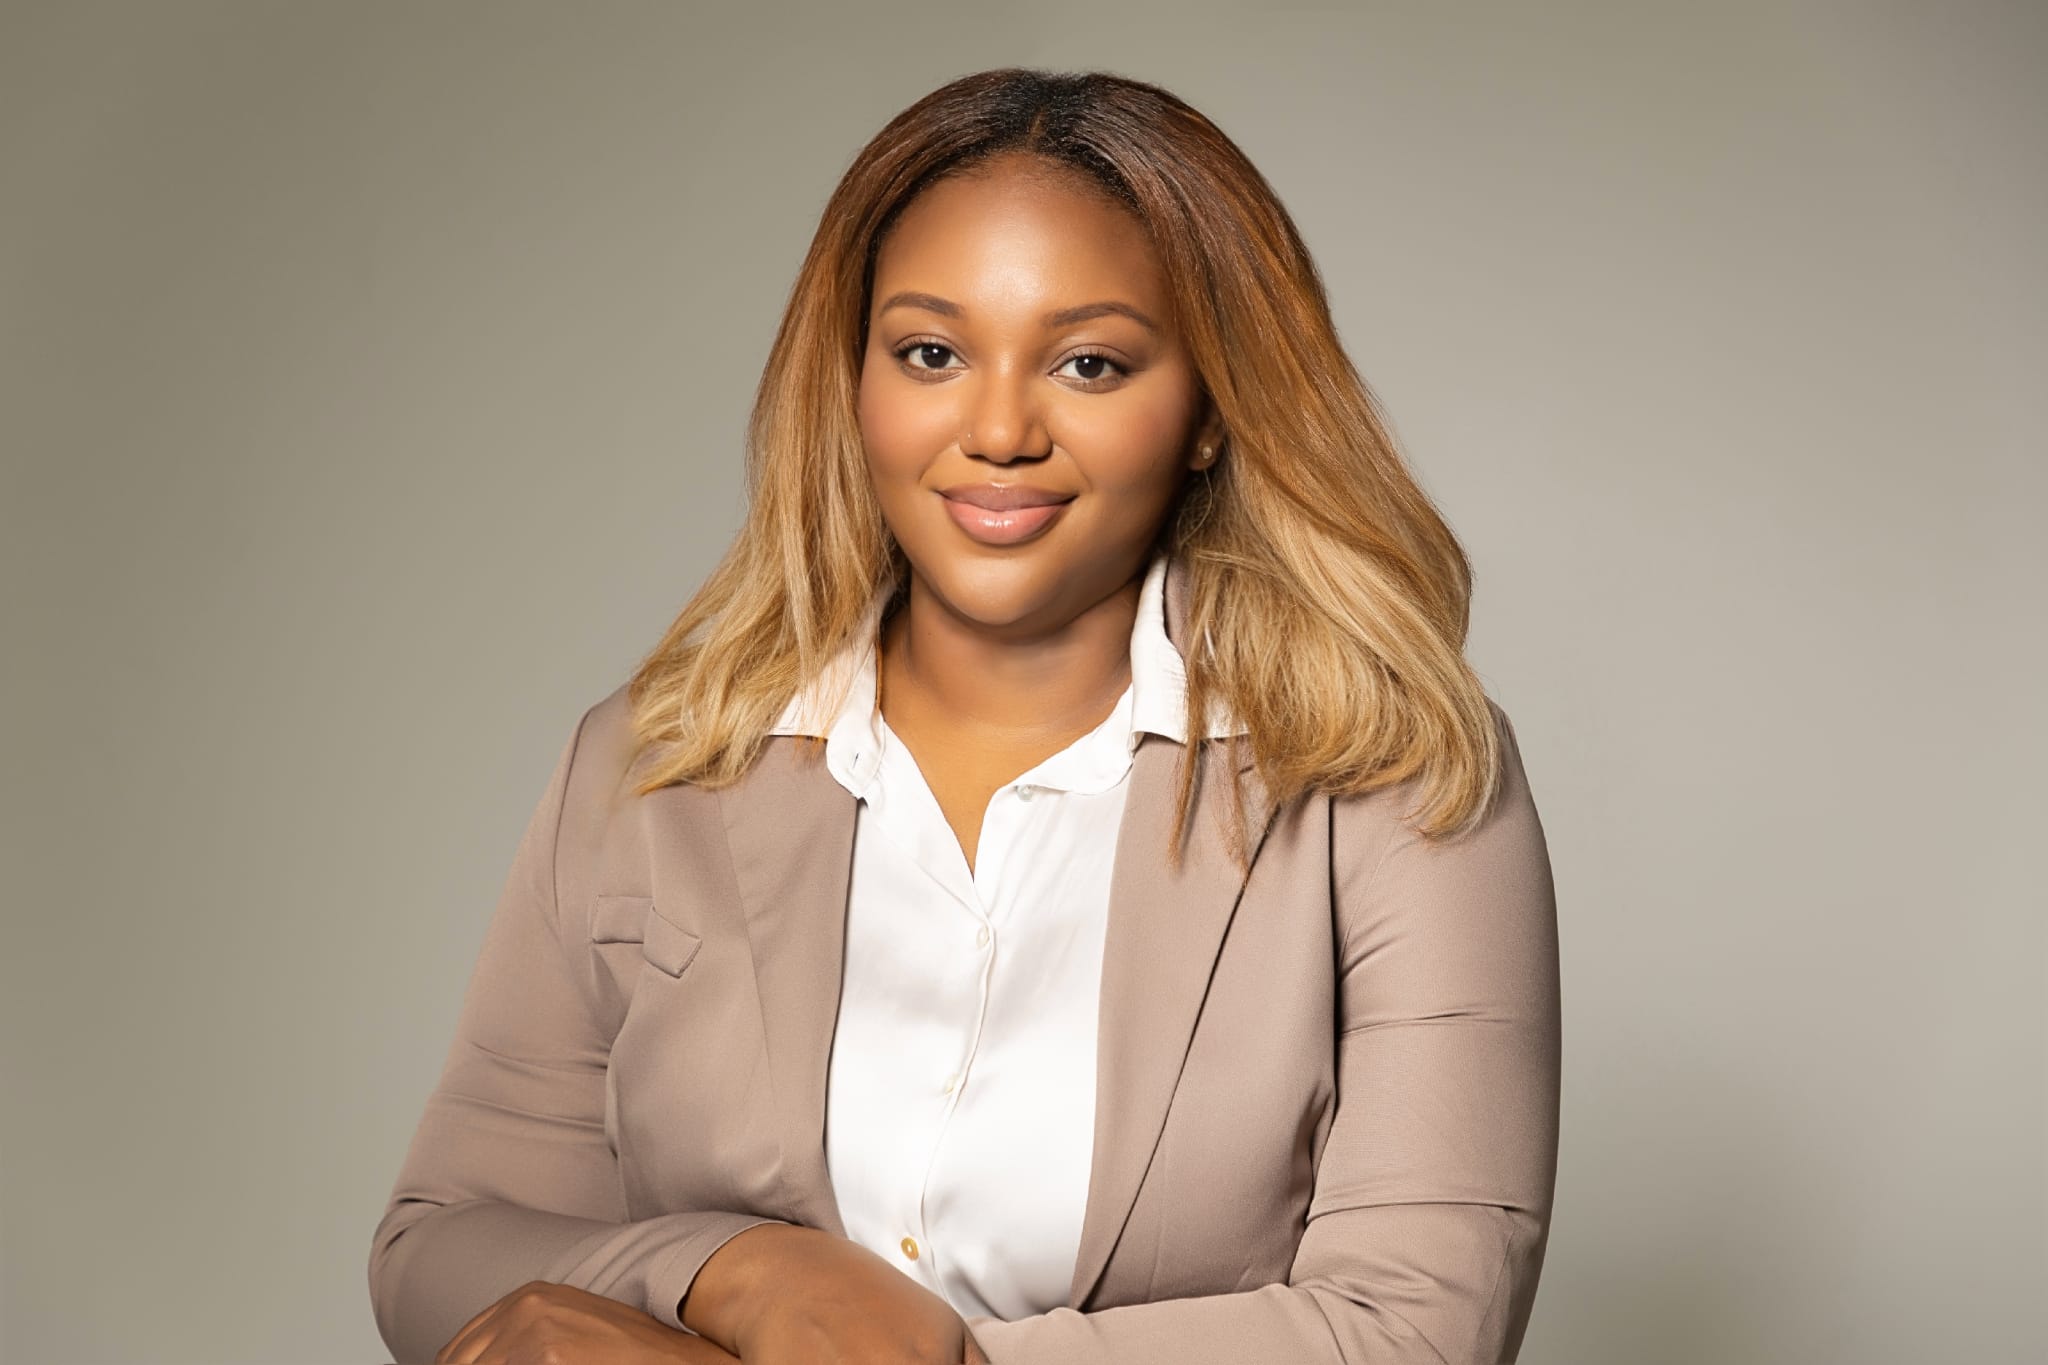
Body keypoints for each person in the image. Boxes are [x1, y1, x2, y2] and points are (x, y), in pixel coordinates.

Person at [368, 67, 1560, 1365]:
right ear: (857, 378)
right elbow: (446, 1242)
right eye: (931, 352)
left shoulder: (1402, 785)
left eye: (1089, 362)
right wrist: (740, 1271)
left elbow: (1416, 1333)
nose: (997, 429)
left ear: (1211, 410)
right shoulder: (652, 761)